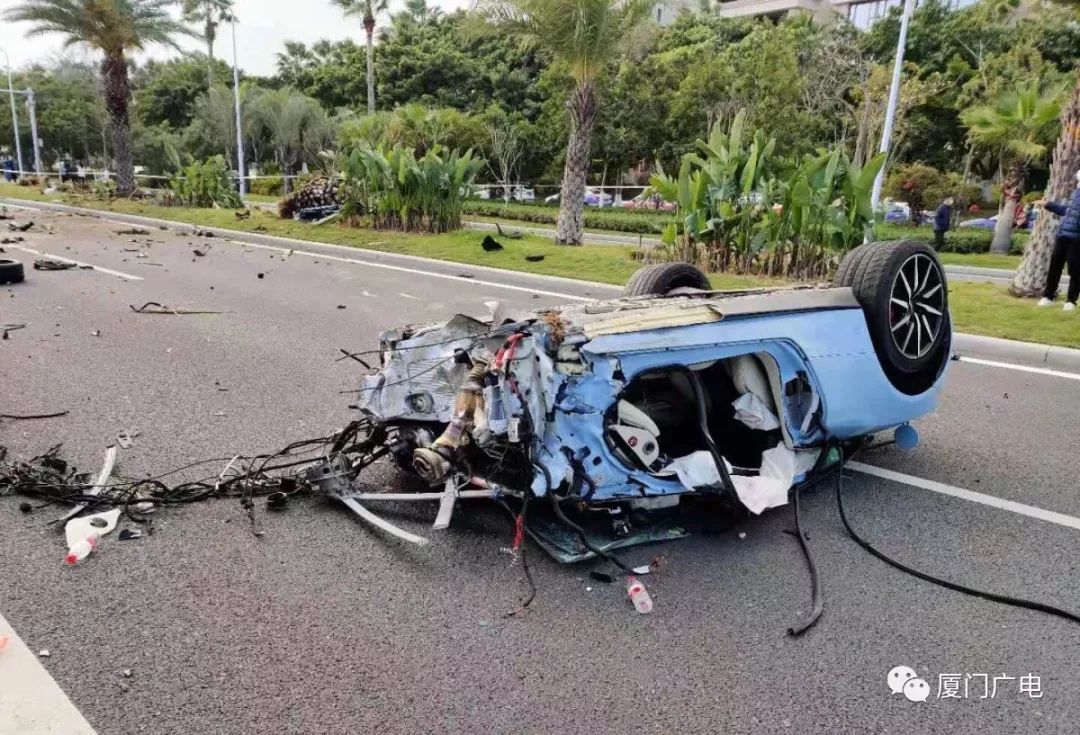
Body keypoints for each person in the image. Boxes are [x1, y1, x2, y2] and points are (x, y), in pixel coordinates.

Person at [1035, 170, 1080, 312]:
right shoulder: (1076, 193)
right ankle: (1048, 297)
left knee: (1075, 270)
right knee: (1055, 267)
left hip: (1077, 239)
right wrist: (1047, 204)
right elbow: (1067, 211)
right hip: (1063, 236)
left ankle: (1071, 301)